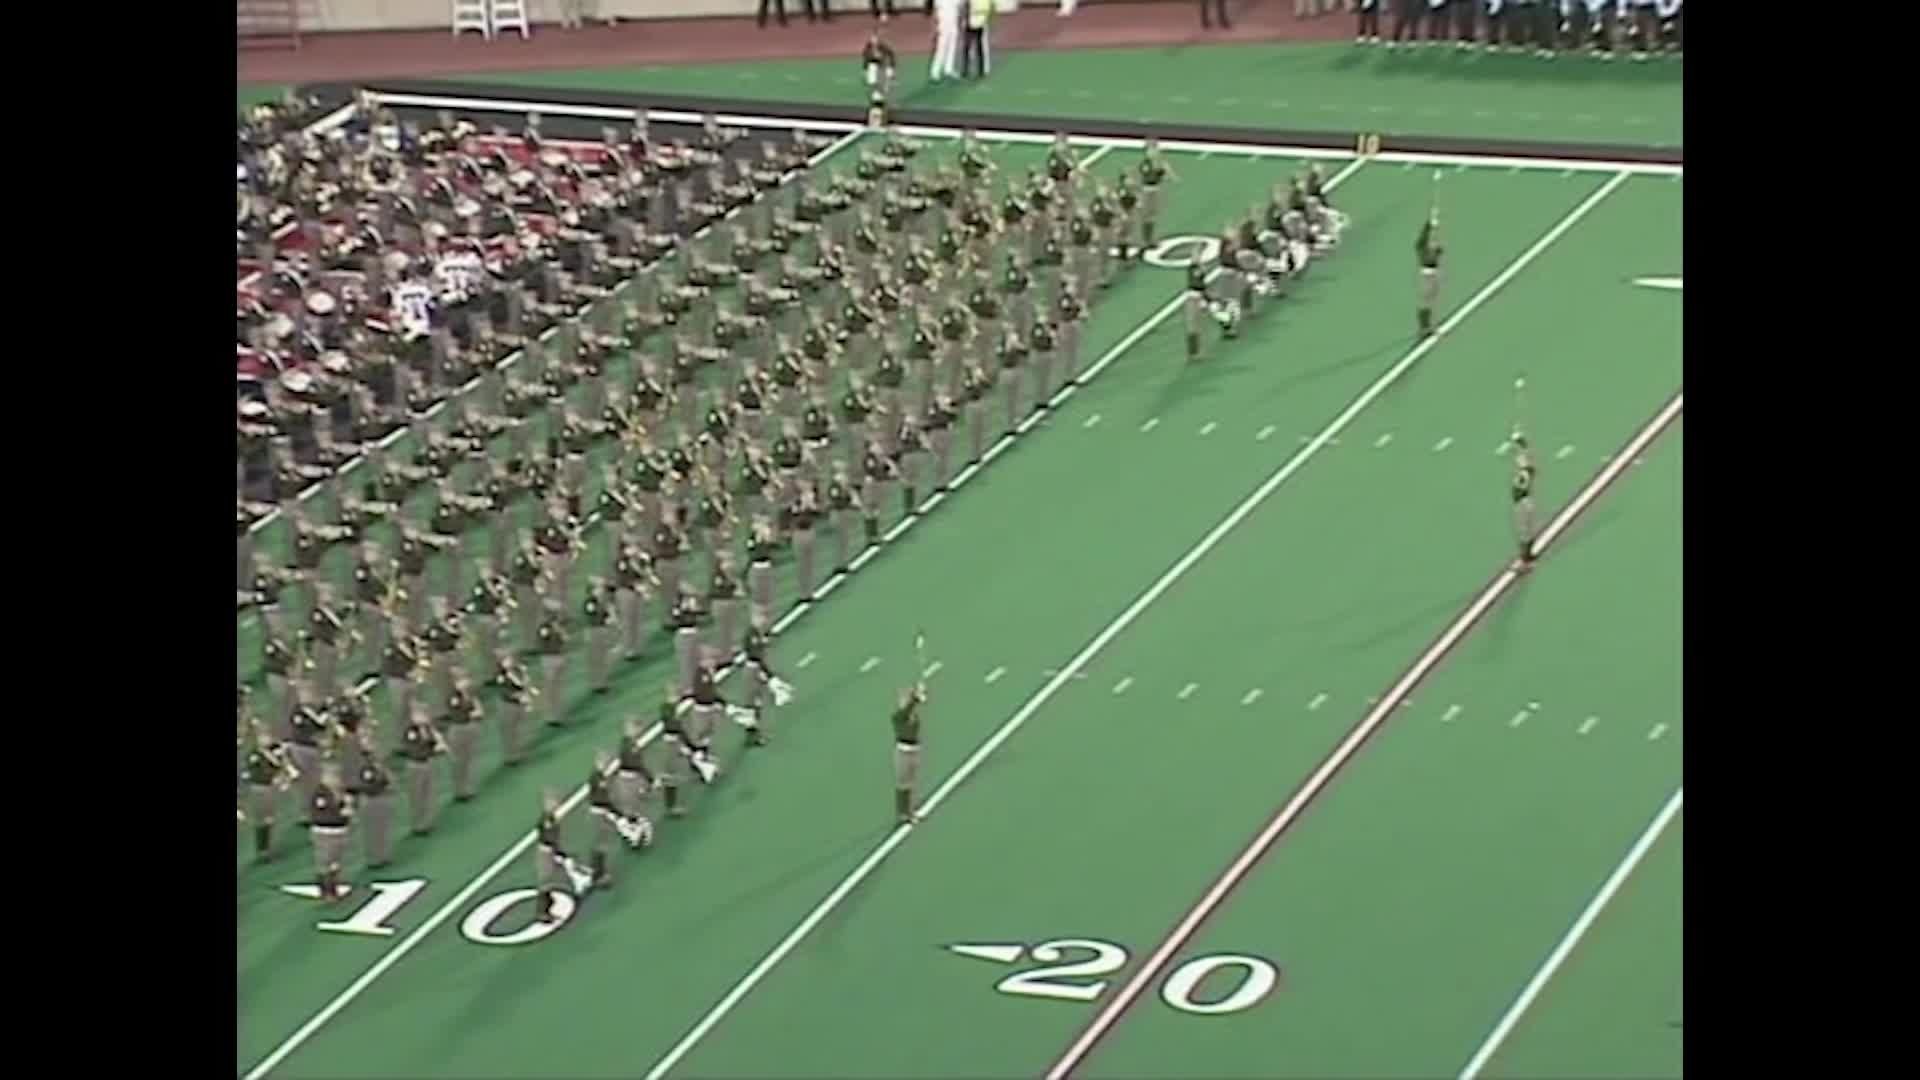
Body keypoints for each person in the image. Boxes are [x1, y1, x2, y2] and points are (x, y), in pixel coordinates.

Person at [892, 681, 927, 824]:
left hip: (914, 749)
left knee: (911, 783)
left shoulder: (913, 716)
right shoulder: (897, 716)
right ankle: (902, 813)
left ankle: (910, 811)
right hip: (903, 751)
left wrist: (918, 694)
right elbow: (906, 711)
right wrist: (915, 697)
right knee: (903, 784)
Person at [1511, 432, 1538, 570]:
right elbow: (1526, 455)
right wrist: (1521, 442)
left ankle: (1524, 562)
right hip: (1527, 502)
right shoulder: (1527, 471)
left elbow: (1517, 490)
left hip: (1522, 503)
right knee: (1528, 531)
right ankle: (1530, 556)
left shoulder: (1523, 475)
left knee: (1524, 533)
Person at [1415, 213, 1443, 338]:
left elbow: (1438, 252)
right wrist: (1430, 224)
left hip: (1433, 274)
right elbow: (1422, 241)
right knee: (1427, 302)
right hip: (1427, 275)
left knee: (1431, 302)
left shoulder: (1429, 248)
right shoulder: (1421, 246)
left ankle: (1429, 327)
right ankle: (1424, 328)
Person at [963, 0, 993, 80]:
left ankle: (982, 69)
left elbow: (988, 8)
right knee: (969, 46)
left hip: (980, 22)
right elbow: (967, 6)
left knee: (979, 46)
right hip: (972, 21)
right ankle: (967, 69)